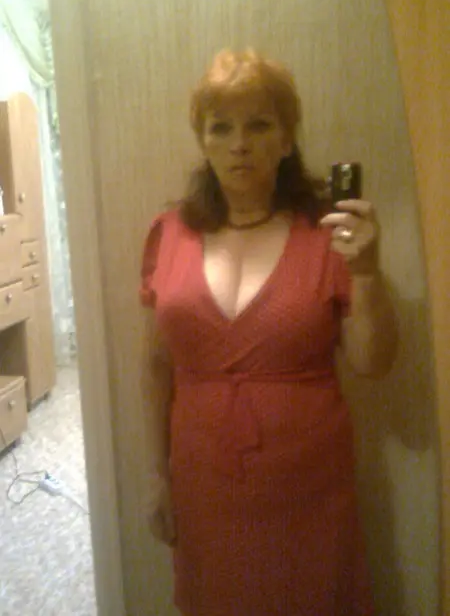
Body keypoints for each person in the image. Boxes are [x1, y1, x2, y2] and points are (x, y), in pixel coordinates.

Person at [139, 48, 397, 616]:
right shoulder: (169, 233)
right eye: (221, 127)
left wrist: (367, 271)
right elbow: (156, 366)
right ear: (203, 141)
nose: (239, 144)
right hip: (203, 483)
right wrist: (159, 475)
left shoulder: (328, 235)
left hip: (309, 486)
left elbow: (373, 362)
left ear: (285, 139)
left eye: (258, 124)